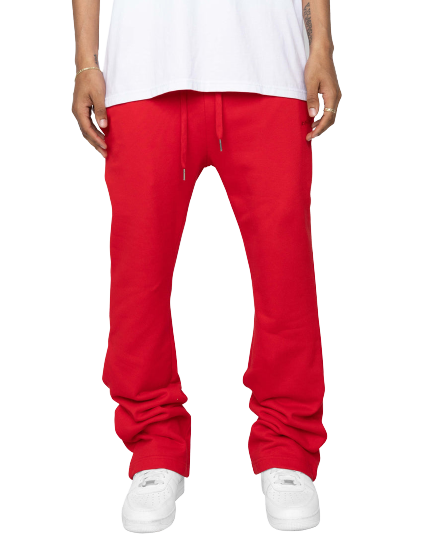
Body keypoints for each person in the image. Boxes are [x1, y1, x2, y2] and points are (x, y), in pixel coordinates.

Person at [71, 0, 341, 534]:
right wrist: (85, 61)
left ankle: (288, 446)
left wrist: (321, 44)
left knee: (285, 273)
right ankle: (154, 446)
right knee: (137, 278)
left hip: (269, 62)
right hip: (145, 68)